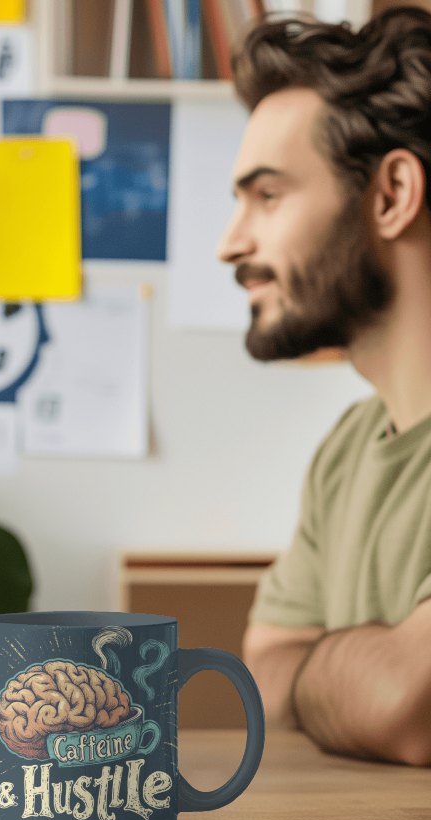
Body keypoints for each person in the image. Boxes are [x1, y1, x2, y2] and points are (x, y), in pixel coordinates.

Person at [217, 6, 431, 766]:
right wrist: (356, 675)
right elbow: (262, 670)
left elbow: (409, 705)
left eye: (268, 196)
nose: (230, 244)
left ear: (390, 195)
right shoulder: (346, 451)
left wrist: (329, 672)